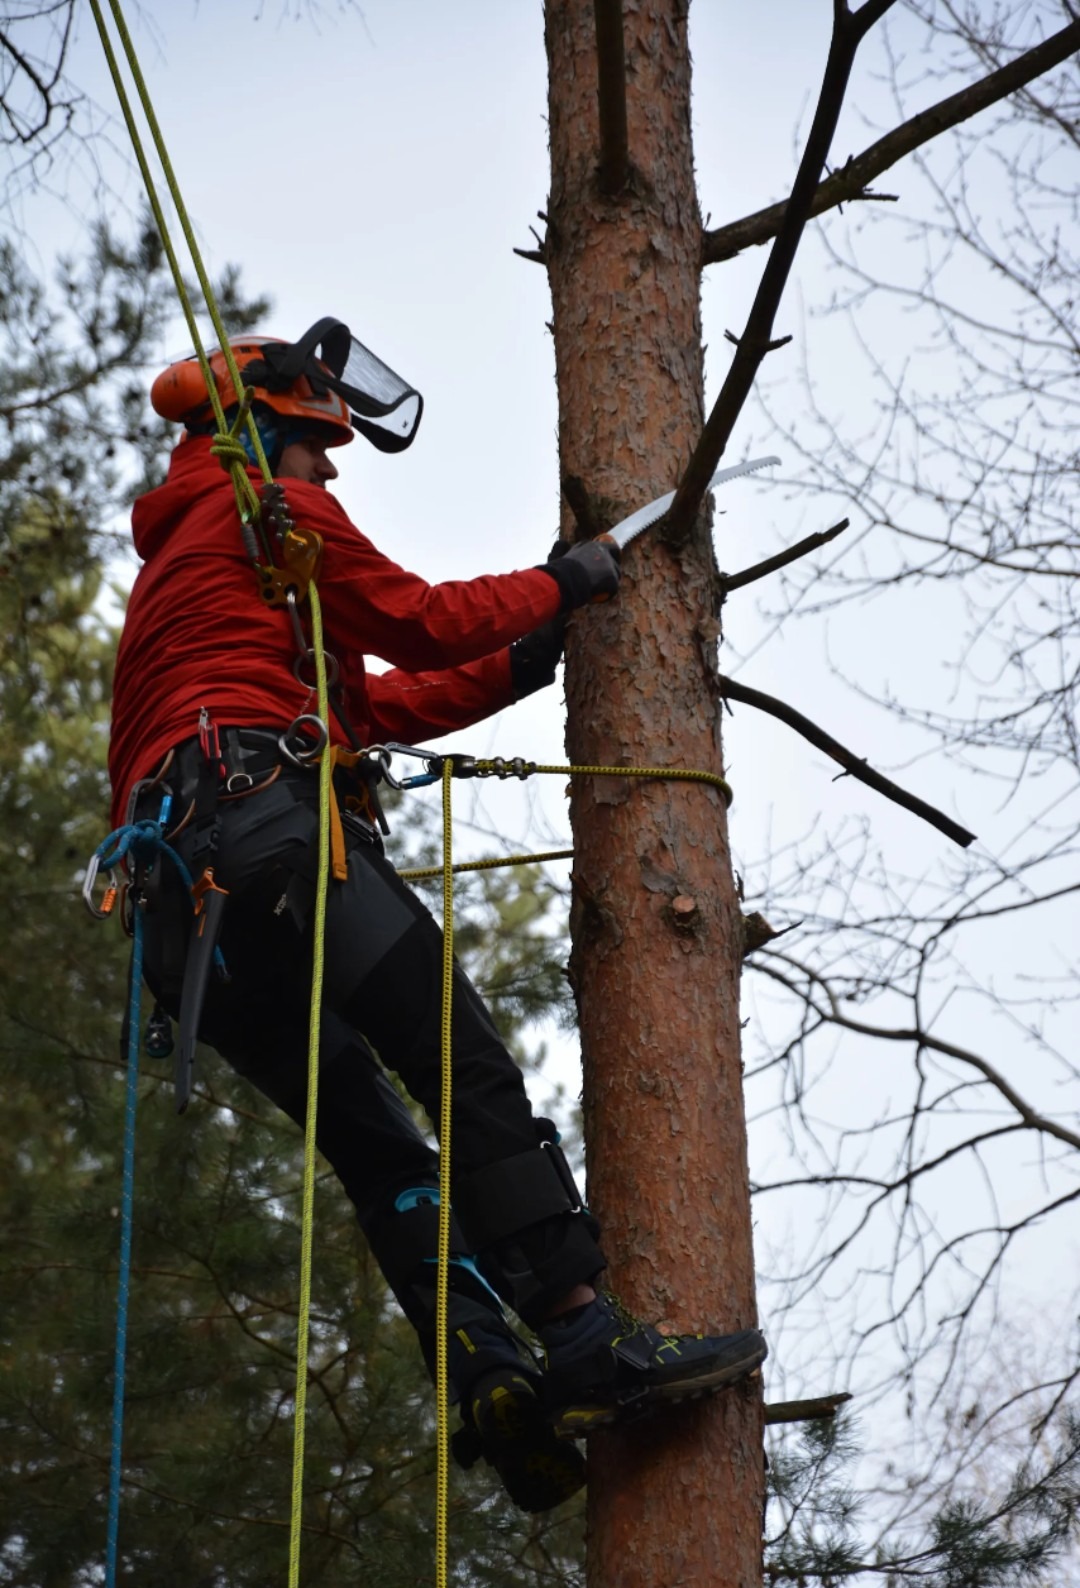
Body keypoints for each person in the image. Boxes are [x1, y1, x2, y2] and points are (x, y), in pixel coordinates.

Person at [109, 321, 767, 1514]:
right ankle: (585, 1336)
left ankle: (488, 1372)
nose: (330, 468)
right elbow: (414, 615)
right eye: (317, 444)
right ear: (264, 434)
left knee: (381, 1151)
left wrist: (520, 657)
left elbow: (371, 705)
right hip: (272, 836)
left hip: (183, 922)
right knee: (457, 1062)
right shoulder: (273, 511)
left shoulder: (187, 571)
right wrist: (565, 581)